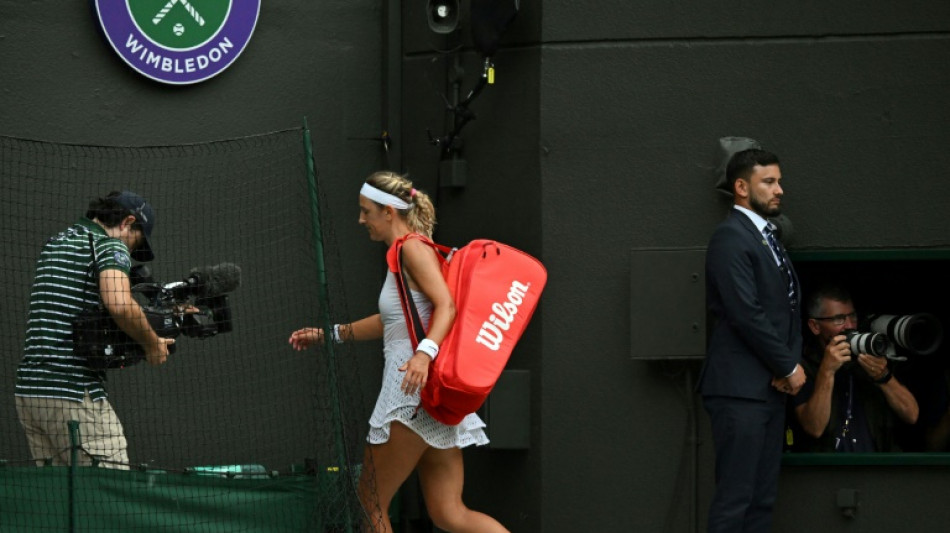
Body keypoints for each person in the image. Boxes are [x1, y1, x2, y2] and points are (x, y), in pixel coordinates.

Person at [289, 171, 508, 533]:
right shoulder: (410, 250)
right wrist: (331, 334)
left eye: (366, 211)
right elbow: (392, 321)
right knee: (450, 513)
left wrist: (423, 354)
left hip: (409, 393)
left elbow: (447, 306)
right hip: (428, 399)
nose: (361, 220)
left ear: (389, 212)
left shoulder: (411, 248)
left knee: (370, 504)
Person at [15, 191, 175, 469]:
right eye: (136, 241)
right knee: (108, 488)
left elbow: (84, 313)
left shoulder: (57, 242)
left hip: (31, 393)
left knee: (63, 493)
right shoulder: (108, 245)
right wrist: (152, 344)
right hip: (73, 392)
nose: (131, 252)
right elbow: (120, 305)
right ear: (127, 222)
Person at [698, 148, 805, 533]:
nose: (779, 190)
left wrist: (786, 369)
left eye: (779, 182)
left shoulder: (766, 237)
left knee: (761, 501)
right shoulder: (730, 237)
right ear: (741, 188)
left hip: (769, 390)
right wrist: (788, 366)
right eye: (769, 182)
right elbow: (747, 313)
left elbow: (787, 309)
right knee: (735, 501)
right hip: (739, 391)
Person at [789, 283, 919, 452]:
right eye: (839, 319)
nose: (849, 326)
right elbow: (814, 428)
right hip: (828, 465)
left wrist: (884, 376)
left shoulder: (870, 354)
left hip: (875, 462)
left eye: (852, 316)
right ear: (815, 326)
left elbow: (912, 415)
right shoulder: (802, 367)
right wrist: (827, 371)